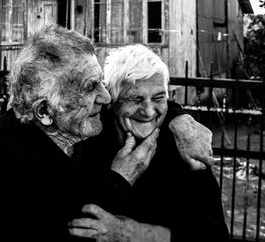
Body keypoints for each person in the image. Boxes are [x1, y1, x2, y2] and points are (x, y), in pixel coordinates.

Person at [0, 25, 214, 241]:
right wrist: (119, 181)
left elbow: (209, 236)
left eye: (101, 82)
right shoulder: (10, 164)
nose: (105, 97)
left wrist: (180, 118)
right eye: (90, 87)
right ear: (44, 112)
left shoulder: (87, 124)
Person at [69, 44, 229, 241]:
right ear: (111, 99)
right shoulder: (88, 141)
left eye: (158, 98)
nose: (149, 111)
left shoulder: (183, 149)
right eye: (136, 99)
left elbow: (214, 236)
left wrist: (135, 233)